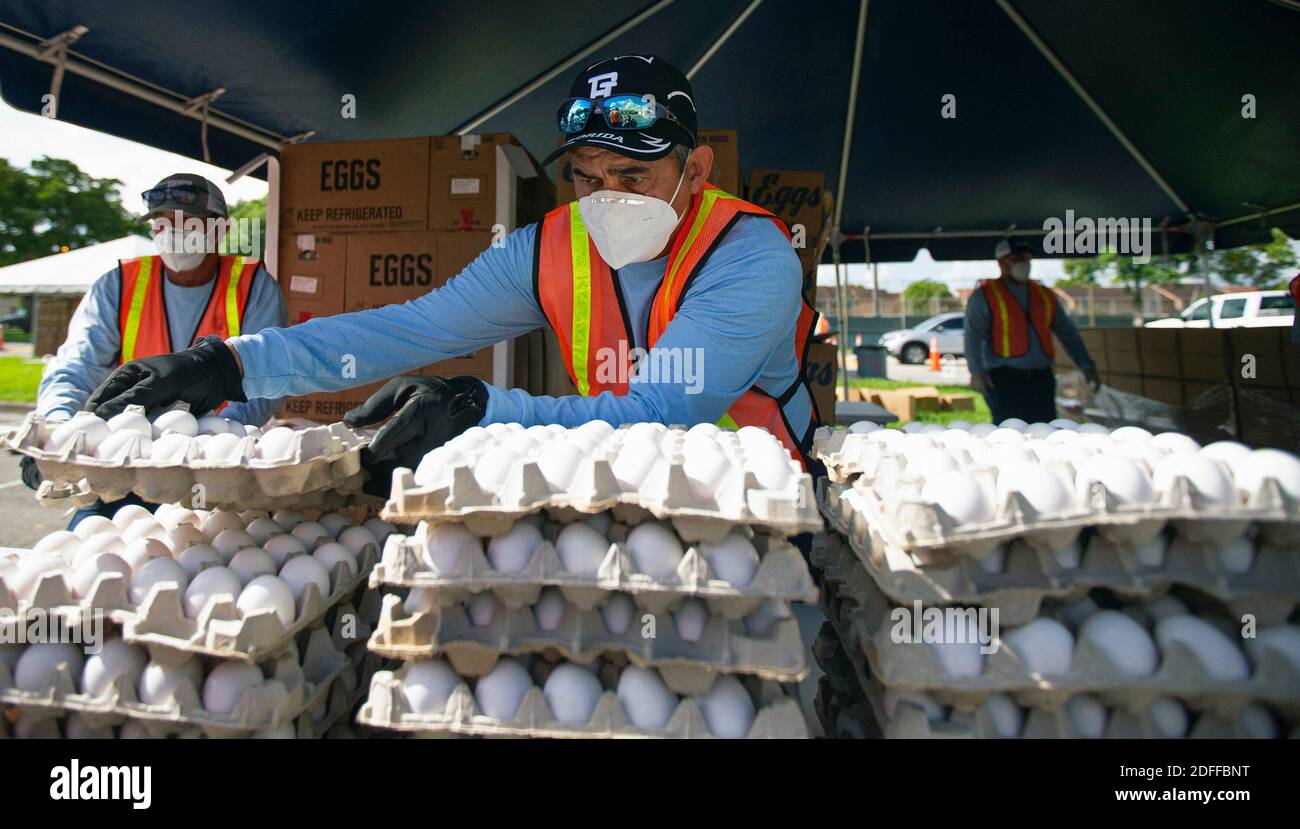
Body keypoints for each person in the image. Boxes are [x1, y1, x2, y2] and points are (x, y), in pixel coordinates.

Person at [81, 55, 820, 495]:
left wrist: (475, 408)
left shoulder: (750, 253)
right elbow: (414, 327)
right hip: (627, 487)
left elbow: (664, 410)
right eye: (588, 176)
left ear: (695, 168)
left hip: (756, 503)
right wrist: (233, 364)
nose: (607, 198)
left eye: (633, 174)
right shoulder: (549, 248)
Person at [23, 174, 287, 525]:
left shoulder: (253, 285)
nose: (172, 233)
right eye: (162, 224)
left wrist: (213, 438)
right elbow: (76, 363)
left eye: (186, 223)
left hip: (211, 467)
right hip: (123, 460)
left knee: (211, 552)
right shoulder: (119, 283)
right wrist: (58, 427)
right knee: (94, 537)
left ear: (220, 229)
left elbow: (268, 377)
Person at [964, 238, 1099, 424]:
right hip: (1004, 379)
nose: (1024, 263)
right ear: (1002, 262)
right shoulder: (985, 296)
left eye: (1027, 258)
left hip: (1041, 377)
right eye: (1017, 258)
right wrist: (976, 372)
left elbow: (1066, 332)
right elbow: (972, 336)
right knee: (1010, 431)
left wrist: (1085, 364)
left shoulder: (1043, 294)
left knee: (1044, 428)